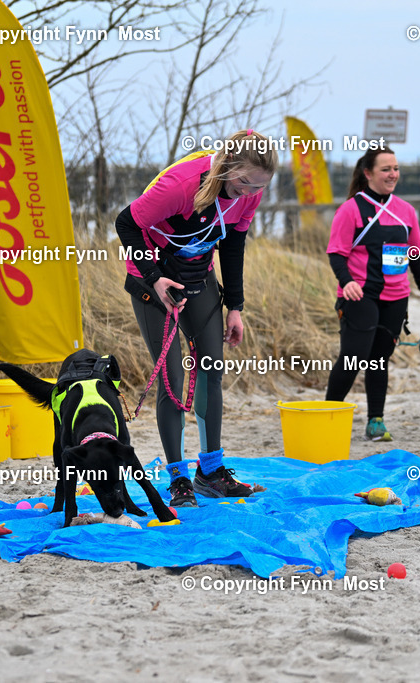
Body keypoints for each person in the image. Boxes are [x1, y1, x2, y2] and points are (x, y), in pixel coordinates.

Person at [115, 130, 278, 506]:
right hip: (153, 278)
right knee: (173, 380)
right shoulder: (182, 185)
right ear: (227, 166)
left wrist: (235, 306)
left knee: (211, 369)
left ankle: (211, 472)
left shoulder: (249, 193)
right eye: (244, 183)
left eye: (259, 187)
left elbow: (234, 244)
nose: (249, 193)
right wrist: (155, 280)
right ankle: (179, 479)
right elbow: (126, 223)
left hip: (199, 276)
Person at [325, 146, 420, 441]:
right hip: (359, 295)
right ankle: (327, 414)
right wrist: (346, 281)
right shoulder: (351, 209)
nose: (393, 175)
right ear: (368, 173)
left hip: (396, 296)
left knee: (379, 359)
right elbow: (336, 253)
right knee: (353, 357)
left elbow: (416, 254)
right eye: (386, 169)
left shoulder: (406, 211)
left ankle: (376, 421)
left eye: (396, 169)